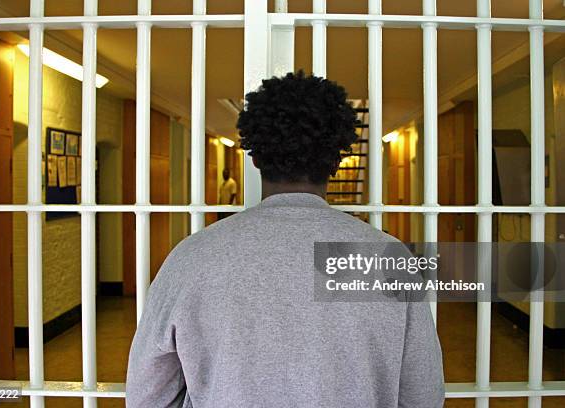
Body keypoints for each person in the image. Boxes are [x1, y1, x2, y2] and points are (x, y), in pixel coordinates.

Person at [126, 71, 445, 408]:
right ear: (337, 158)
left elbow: (147, 396)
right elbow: (423, 395)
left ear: (255, 154)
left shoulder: (191, 258)